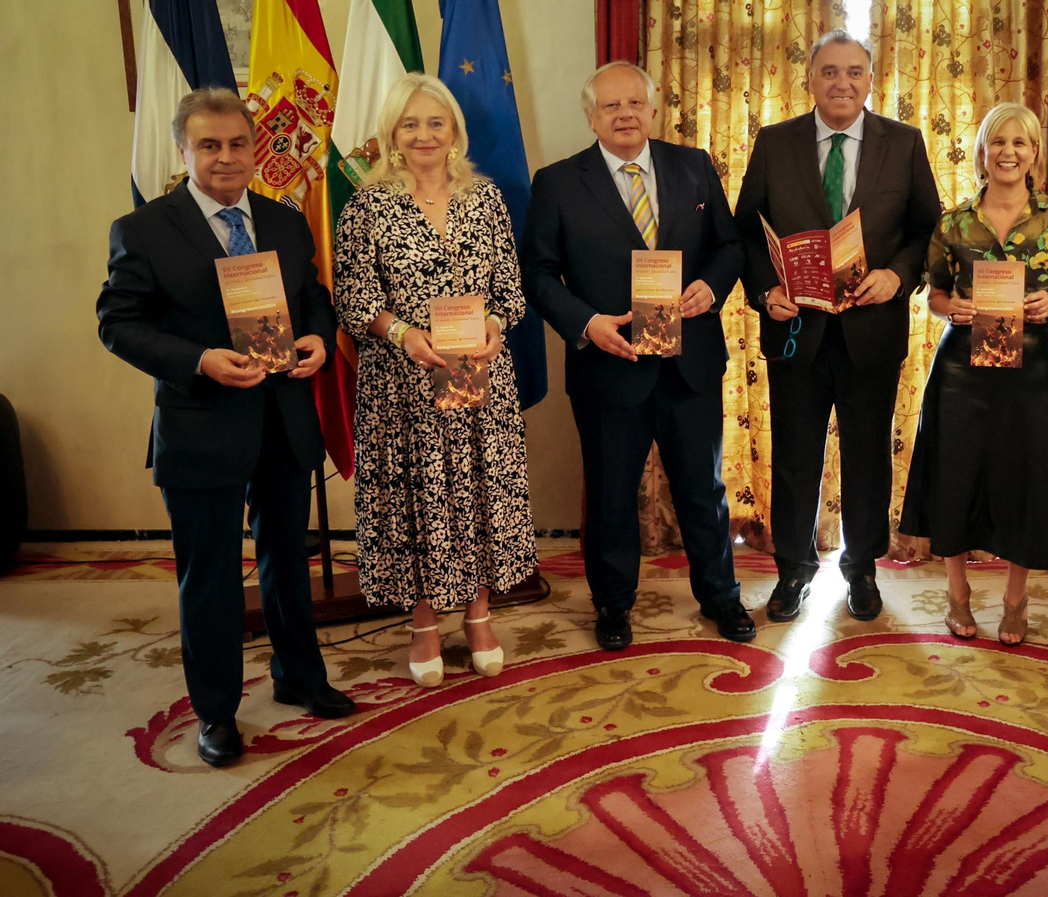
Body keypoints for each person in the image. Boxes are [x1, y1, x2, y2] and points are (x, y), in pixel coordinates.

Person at [96, 88, 356, 767]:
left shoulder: (285, 220)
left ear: (254, 148)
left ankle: (299, 674)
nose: (226, 157)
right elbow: (117, 324)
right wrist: (198, 360)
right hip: (202, 425)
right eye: (208, 145)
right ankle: (216, 711)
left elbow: (314, 300)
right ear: (184, 152)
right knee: (209, 576)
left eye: (238, 143)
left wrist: (319, 340)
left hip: (282, 419)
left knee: (286, 562)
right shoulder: (145, 228)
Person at [523, 62, 753, 651]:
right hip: (609, 363)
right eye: (610, 107)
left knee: (703, 489)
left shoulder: (694, 166)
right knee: (610, 494)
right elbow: (540, 274)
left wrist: (711, 285)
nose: (624, 115)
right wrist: (586, 323)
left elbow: (730, 246)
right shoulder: (556, 182)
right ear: (591, 116)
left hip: (690, 362)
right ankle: (613, 605)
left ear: (653, 109)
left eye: (635, 104)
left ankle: (721, 596)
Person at [333, 73, 538, 686]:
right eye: (410, 123)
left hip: (479, 382)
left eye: (436, 122)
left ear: (454, 132)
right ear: (392, 133)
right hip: (403, 387)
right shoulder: (368, 204)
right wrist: (402, 335)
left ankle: (478, 613)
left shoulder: (486, 199)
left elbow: (511, 289)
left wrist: (498, 326)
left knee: (477, 491)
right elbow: (352, 295)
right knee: (417, 499)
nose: (424, 134)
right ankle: (423, 620)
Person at [734, 29, 941, 623]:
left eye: (854, 71)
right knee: (795, 458)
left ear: (871, 79)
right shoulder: (775, 144)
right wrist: (763, 290)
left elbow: (928, 228)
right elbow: (746, 231)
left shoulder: (903, 143)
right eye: (829, 71)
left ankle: (862, 570)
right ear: (810, 79)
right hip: (798, 331)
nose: (842, 82)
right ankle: (793, 572)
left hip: (870, 331)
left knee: (868, 458)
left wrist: (899, 276)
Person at [900, 103, 1048, 646]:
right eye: (997, 142)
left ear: (1034, 153)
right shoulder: (954, 221)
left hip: (1031, 369)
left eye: (1020, 142)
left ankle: (1015, 599)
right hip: (963, 369)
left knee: (1026, 478)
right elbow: (933, 291)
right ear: (982, 151)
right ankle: (956, 596)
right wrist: (947, 309)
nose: (1008, 152)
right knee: (956, 477)